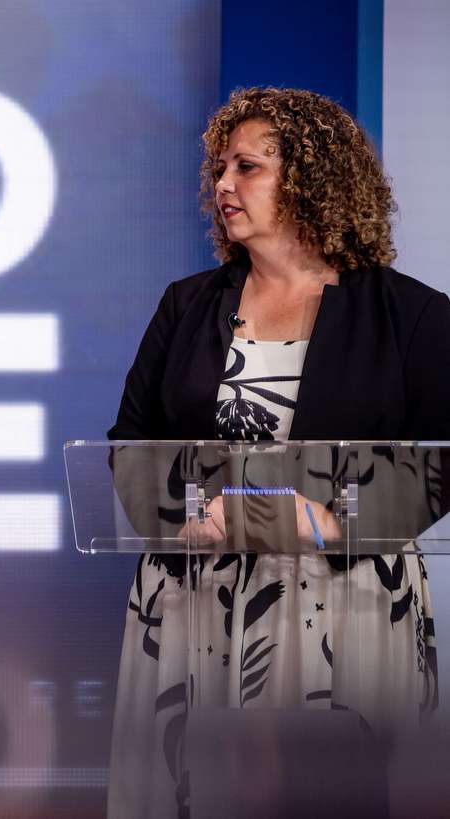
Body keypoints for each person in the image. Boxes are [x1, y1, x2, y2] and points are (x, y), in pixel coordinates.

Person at [106, 87, 446, 817]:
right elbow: (129, 443)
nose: (223, 185)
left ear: (313, 179)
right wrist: (182, 521)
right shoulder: (186, 304)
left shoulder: (411, 314)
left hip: (341, 604)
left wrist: (331, 522)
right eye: (220, 168)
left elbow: (446, 457)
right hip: (197, 599)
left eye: (248, 167)